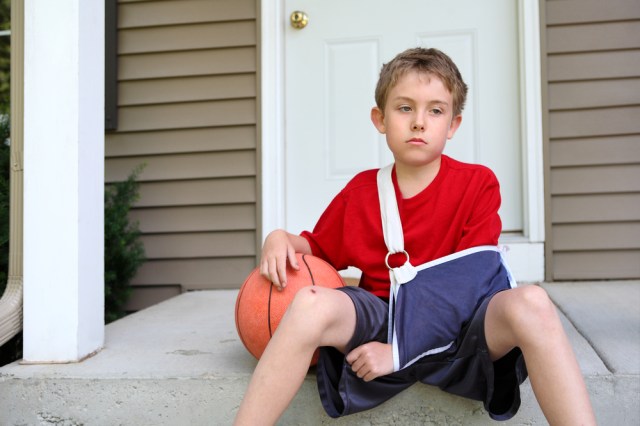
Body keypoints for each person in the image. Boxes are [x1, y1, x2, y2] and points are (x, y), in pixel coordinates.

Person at [234, 47, 596, 425]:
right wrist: (280, 238)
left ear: (453, 124)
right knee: (309, 303)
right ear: (380, 118)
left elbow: (470, 284)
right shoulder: (360, 192)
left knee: (533, 302)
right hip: (382, 323)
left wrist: (399, 351)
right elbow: (318, 249)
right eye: (404, 108)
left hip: (463, 333)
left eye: (435, 110)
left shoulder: (477, 184)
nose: (419, 122)